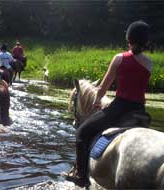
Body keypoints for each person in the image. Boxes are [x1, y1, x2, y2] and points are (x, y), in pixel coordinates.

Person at [64, 20, 152, 188]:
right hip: (140, 112)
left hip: (119, 108)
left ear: (129, 38)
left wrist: (97, 102)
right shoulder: (149, 63)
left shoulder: (119, 58)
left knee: (82, 133)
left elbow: (103, 89)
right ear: (146, 41)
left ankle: (81, 176)